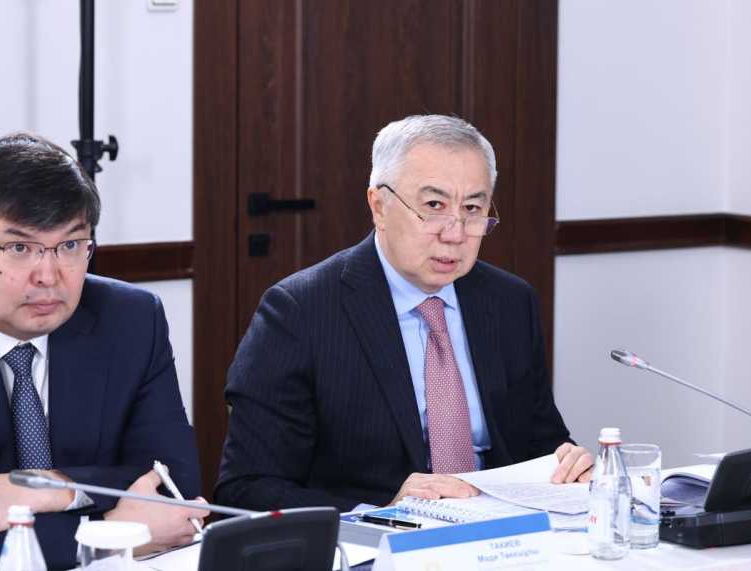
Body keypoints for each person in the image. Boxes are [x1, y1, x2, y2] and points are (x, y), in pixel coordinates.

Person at [215, 114, 593, 512]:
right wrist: (382, 511)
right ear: (379, 206)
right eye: (434, 206)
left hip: (502, 536)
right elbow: (247, 488)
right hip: (374, 538)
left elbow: (539, 444)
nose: (455, 233)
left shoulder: (509, 302)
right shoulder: (300, 312)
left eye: (472, 208)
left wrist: (567, 464)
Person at [0, 133, 206, 570]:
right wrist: (113, 533)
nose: (48, 276)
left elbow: (172, 488)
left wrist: (45, 488)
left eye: (69, 245)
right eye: (19, 248)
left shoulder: (132, 319)